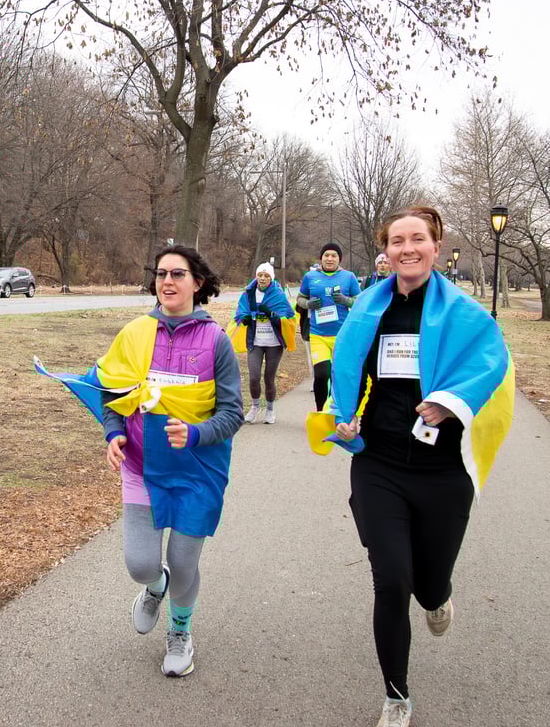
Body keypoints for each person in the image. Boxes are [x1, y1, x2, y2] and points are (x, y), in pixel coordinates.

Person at [317, 206, 515, 727]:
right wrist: (345, 418)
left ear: (436, 244)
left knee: (427, 585)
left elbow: (490, 362)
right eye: (397, 241)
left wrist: (451, 400)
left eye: (418, 239)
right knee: (391, 581)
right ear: (386, 250)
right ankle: (396, 696)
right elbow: (349, 368)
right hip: (380, 461)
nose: (407, 249)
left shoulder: (466, 312)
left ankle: (439, 596)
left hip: (443, 469)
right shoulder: (367, 308)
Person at [35, 245, 244, 677]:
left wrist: (197, 433)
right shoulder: (133, 334)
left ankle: (181, 631)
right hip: (141, 468)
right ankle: (155, 585)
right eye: (161, 273)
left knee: (186, 563)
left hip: (197, 473)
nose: (167, 281)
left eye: (178, 274)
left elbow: (232, 412)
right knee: (140, 564)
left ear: (197, 283)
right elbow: (113, 393)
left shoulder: (216, 342)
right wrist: (113, 433)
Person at [229, 262, 297, 424]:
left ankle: (270, 410)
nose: (263, 278)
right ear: (256, 276)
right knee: (253, 377)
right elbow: (241, 311)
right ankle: (254, 407)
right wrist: (244, 319)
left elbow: (288, 316)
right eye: (260, 275)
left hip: (274, 343)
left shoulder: (278, 294)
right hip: (255, 341)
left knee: (269, 378)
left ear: (271, 278)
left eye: (266, 275)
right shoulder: (248, 293)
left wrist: (271, 314)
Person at [297, 243, 360, 410]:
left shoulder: (349, 277)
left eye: (334, 255)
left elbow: (360, 301)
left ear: (339, 259)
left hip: (342, 336)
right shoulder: (310, 277)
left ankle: (334, 410)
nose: (330, 258)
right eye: (326, 255)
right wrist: (309, 304)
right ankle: (320, 411)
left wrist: (347, 301)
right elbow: (300, 299)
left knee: (338, 376)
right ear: (321, 258)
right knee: (321, 374)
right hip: (318, 335)